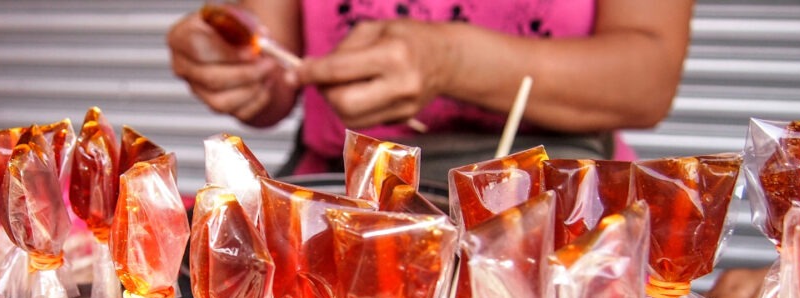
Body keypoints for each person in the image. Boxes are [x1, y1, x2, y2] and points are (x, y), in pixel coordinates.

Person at [167, 0, 695, 182]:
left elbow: (648, 80)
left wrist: (452, 62)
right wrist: (237, 69)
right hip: (339, 209)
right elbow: (275, 70)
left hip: (556, 222)